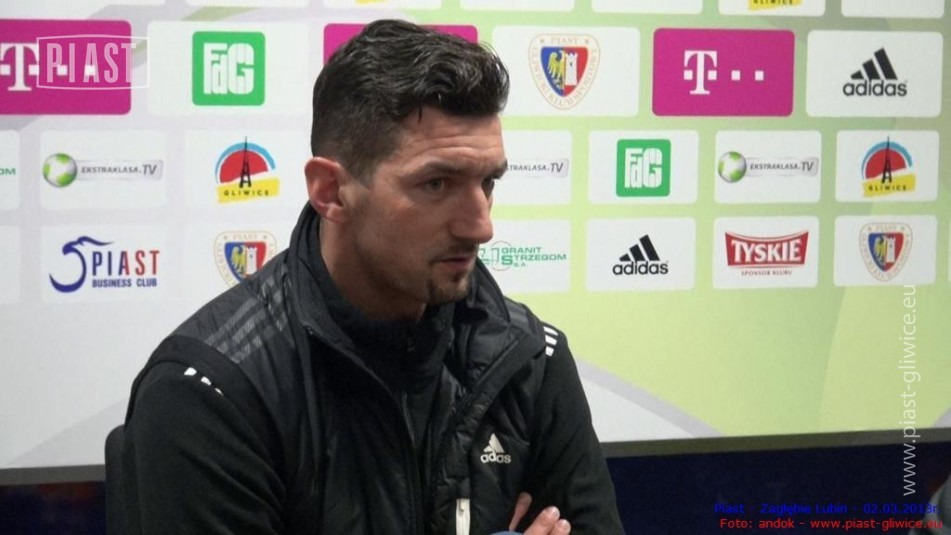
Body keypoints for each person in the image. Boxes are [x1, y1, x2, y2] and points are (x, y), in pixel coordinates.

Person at [119, 19, 624, 534]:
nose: (481, 226)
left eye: (487, 182)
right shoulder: (211, 396)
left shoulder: (530, 360)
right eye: (436, 184)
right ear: (331, 192)